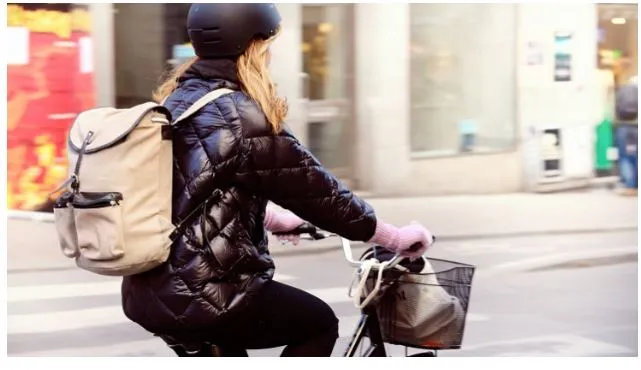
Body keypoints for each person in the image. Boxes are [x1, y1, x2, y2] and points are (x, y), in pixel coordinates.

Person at [121, 3, 434, 357]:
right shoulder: (242, 115)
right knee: (317, 323)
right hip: (206, 295)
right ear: (254, 48)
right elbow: (319, 194)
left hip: (150, 292)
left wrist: (273, 219)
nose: (270, 58)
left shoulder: (178, 101)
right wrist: (393, 237)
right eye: (267, 47)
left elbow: (195, 188)